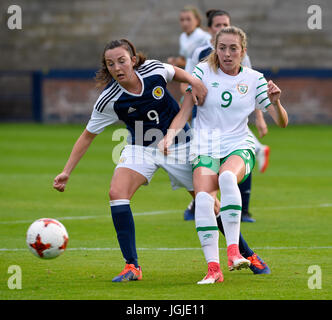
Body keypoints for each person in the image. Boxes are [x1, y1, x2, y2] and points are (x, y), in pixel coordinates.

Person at [53, 38, 208, 282]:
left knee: (206, 201)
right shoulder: (109, 99)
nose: (117, 68)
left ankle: (242, 252)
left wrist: (194, 81)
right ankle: (131, 266)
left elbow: (177, 73)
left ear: (133, 61)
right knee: (117, 193)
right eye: (110, 64)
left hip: (180, 144)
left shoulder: (154, 71)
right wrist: (66, 172)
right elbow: (86, 136)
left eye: (122, 61)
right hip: (140, 148)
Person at [159, 26, 288, 284]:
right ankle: (213, 270)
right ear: (215, 49)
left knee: (227, 178)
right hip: (205, 146)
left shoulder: (254, 79)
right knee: (204, 200)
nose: (227, 54)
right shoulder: (202, 72)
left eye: (233, 49)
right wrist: (170, 136)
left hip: (238, 144)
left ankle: (233, 252)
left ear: (243, 51)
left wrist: (276, 102)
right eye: (222, 48)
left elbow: (282, 122)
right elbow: (185, 110)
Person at [183, 9, 270, 223]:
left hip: (232, 116)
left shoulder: (241, 55)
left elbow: (250, 86)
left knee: (237, 160)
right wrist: (188, 103)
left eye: (225, 24)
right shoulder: (199, 53)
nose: (222, 28)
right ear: (210, 29)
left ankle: (243, 210)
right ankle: (201, 204)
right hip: (204, 110)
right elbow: (187, 80)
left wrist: (259, 117)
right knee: (204, 164)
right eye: (218, 25)